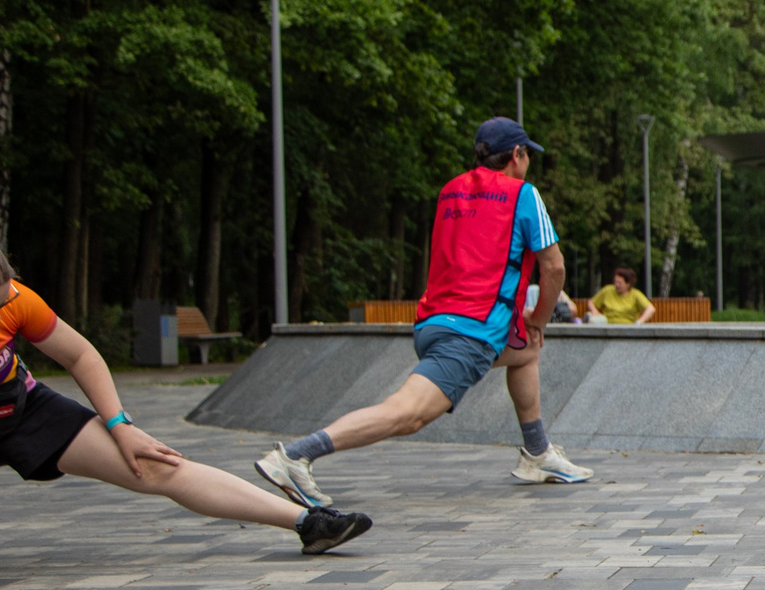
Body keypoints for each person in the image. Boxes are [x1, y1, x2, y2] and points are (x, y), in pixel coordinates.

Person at [0, 233, 369, 578]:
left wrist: (120, 424)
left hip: (16, 405)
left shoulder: (10, 298)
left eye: (3, 304)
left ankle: (309, 523)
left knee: (151, 462)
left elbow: (80, 355)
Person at [253, 118, 592, 503]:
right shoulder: (523, 195)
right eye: (527, 153)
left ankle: (537, 452)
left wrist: (528, 329)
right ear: (516, 154)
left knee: (527, 350)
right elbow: (554, 266)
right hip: (470, 330)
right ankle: (296, 457)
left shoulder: (451, 191)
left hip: (432, 322)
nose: (528, 161)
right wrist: (539, 318)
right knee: (406, 414)